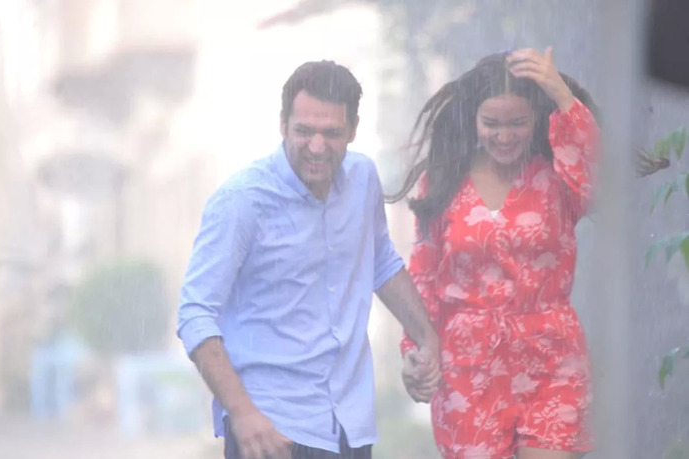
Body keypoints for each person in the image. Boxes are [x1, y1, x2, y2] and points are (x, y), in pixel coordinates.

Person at [177, 60, 441, 459]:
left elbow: (381, 262)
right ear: (283, 125)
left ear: (353, 129)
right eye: (304, 131)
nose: (317, 147)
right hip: (272, 427)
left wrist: (426, 338)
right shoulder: (242, 201)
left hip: (351, 425)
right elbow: (195, 313)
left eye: (332, 133)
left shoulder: (363, 178)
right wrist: (243, 414)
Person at [391, 48, 600, 459]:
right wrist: (415, 351)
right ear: (473, 119)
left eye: (517, 123)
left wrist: (560, 94)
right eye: (491, 123)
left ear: (536, 119)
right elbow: (424, 279)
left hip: (551, 358)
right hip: (467, 368)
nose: (504, 136)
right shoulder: (443, 181)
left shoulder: (559, 176)